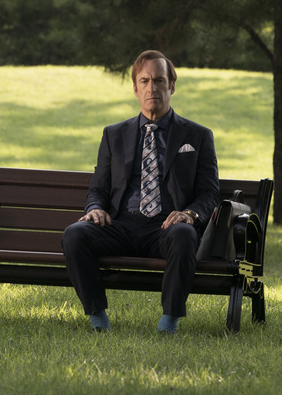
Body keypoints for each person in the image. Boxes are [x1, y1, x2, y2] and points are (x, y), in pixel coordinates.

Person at [61, 50, 220, 334]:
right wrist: (94, 209)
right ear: (135, 88)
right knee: (75, 233)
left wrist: (189, 214)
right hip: (121, 225)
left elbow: (209, 193)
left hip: (165, 227)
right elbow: (99, 188)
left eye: (159, 80)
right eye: (144, 81)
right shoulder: (114, 134)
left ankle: (168, 322)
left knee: (185, 235)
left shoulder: (197, 136)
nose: (152, 88)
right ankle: (97, 318)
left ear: (172, 86)